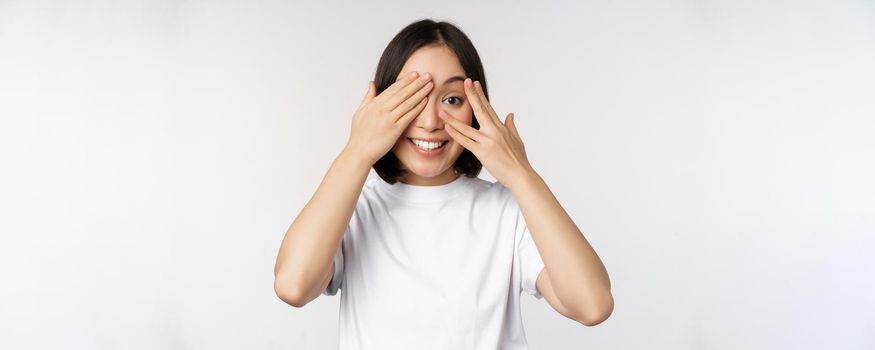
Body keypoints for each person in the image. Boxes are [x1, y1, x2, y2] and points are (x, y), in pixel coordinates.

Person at [274, 18, 613, 349]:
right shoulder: (354, 208)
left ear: (476, 110)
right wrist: (357, 151)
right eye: (413, 97)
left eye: (452, 99)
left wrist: (521, 175)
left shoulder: (507, 211)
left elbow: (592, 305)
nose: (430, 121)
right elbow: (293, 286)